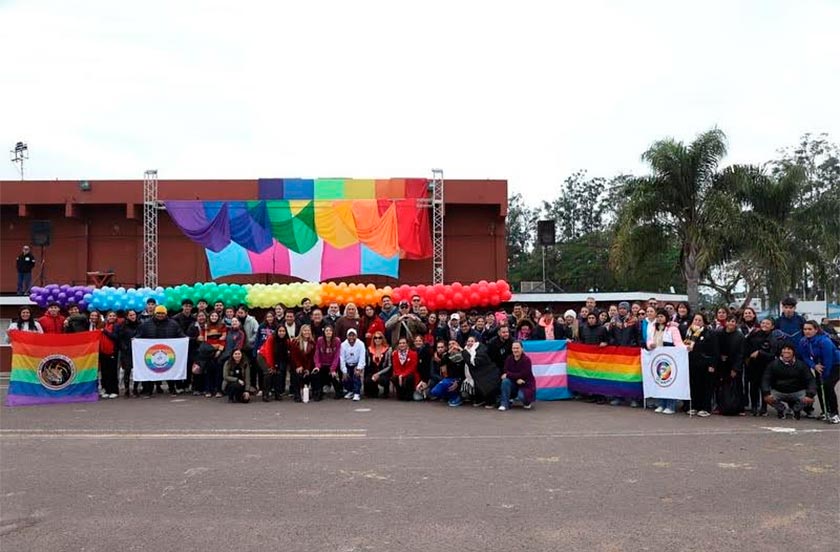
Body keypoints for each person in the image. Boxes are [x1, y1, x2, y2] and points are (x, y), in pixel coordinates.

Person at [135, 305, 186, 397]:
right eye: (158, 313)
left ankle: (172, 389)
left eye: (162, 313)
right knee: (149, 371)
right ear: (155, 313)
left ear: (166, 314)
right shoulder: (146, 324)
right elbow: (140, 335)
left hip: (168, 351)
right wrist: (135, 340)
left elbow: (180, 334)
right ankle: (148, 390)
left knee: (170, 369)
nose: (160, 315)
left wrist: (186, 339)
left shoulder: (173, 324)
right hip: (151, 352)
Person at [797, 321, 840, 423]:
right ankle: (825, 411)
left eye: (810, 329)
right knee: (819, 388)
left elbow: (828, 359)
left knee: (827, 386)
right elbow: (805, 356)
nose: (807, 331)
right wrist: (814, 365)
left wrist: (825, 375)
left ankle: (835, 413)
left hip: (835, 364)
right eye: (805, 329)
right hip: (819, 365)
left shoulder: (824, 341)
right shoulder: (803, 341)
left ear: (816, 330)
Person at [762, 343, 816, 419]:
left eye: (789, 351)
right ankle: (781, 409)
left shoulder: (801, 365)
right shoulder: (773, 365)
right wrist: (766, 392)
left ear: (793, 352)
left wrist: (810, 394)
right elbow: (766, 379)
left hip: (797, 391)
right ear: (781, 352)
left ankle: (796, 409)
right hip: (779, 391)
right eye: (784, 351)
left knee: (810, 399)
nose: (786, 353)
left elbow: (810, 380)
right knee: (767, 398)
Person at [647, 309, 685, 414]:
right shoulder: (653, 328)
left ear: (666, 317)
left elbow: (678, 343)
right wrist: (650, 345)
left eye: (662, 316)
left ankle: (670, 405)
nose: (659, 318)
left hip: (669, 359)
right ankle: (661, 403)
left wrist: (684, 349)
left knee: (669, 382)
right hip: (657, 359)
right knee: (659, 382)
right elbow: (649, 340)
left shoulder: (672, 329)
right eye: (658, 316)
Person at [743, 318, 780, 416]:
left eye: (768, 324)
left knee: (764, 387)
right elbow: (746, 345)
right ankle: (754, 407)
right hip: (753, 366)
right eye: (763, 323)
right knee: (753, 387)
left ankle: (764, 408)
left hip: (766, 367)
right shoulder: (754, 334)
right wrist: (747, 357)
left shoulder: (773, 338)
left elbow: (772, 355)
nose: (765, 325)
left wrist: (760, 353)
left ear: (772, 326)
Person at [684, 313, 718, 417]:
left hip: (705, 364)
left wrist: (713, 364)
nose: (697, 322)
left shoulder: (709, 333)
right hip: (692, 364)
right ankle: (695, 406)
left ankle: (705, 407)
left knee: (706, 387)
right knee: (694, 386)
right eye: (695, 320)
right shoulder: (688, 333)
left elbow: (715, 350)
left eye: (699, 320)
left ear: (703, 322)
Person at [715, 315, 746, 415]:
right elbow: (716, 348)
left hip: (734, 365)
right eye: (729, 321)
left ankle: (739, 408)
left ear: (736, 323)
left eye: (733, 321)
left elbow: (741, 354)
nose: (731, 323)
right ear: (726, 322)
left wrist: (735, 368)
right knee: (720, 386)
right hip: (722, 365)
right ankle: (720, 406)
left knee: (737, 386)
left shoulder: (739, 336)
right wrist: (720, 356)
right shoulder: (719, 333)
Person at [463, 335, 501, 407]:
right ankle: (480, 399)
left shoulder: (481, 348)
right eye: (468, 341)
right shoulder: (466, 350)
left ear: (476, 342)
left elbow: (474, 362)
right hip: (476, 375)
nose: (470, 343)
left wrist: (464, 352)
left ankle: (492, 402)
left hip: (488, 372)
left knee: (486, 386)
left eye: (472, 341)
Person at [499, 341, 536, 411]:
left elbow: (524, 374)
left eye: (517, 348)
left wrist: (509, 375)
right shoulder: (509, 359)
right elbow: (505, 370)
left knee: (522, 396)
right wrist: (516, 378)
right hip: (514, 382)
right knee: (505, 381)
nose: (515, 350)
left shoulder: (527, 360)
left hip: (525, 384)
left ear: (522, 349)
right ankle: (504, 404)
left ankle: (527, 402)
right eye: (513, 348)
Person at [429, 340, 467, 407]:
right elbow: (442, 362)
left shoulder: (463, 355)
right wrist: (449, 352)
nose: (452, 345)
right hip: (450, 378)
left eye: (453, 344)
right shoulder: (447, 356)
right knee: (434, 391)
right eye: (450, 344)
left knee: (453, 385)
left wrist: (458, 382)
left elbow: (465, 370)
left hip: (461, 379)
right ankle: (451, 396)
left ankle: (458, 397)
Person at [258, 326, 291, 402]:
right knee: (268, 373)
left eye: (283, 331)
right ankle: (265, 394)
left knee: (278, 373)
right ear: (277, 331)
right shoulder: (271, 338)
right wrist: (272, 366)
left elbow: (283, 355)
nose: (282, 333)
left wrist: (276, 367)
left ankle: (277, 393)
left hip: (276, 359)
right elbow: (269, 353)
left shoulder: (286, 341)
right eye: (280, 331)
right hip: (263, 356)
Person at [201, 311, 227, 398]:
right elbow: (202, 339)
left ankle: (218, 390)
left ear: (218, 317)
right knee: (208, 371)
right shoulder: (205, 326)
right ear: (209, 317)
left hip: (218, 352)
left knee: (218, 372)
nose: (214, 317)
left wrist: (219, 350)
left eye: (215, 316)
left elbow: (223, 339)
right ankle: (208, 390)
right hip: (208, 352)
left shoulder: (222, 326)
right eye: (212, 316)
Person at [289, 325, 316, 403]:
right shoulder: (295, 342)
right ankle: (297, 394)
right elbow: (294, 356)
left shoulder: (313, 343)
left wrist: (307, 368)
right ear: (301, 332)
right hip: (297, 365)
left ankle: (311, 393)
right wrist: (299, 366)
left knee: (312, 374)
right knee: (297, 375)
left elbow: (311, 358)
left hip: (308, 365)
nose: (306, 332)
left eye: (308, 331)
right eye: (305, 330)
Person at [314, 325, 340, 400]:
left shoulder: (337, 341)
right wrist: (317, 366)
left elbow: (337, 356)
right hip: (322, 364)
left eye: (330, 330)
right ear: (324, 332)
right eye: (327, 331)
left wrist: (332, 369)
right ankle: (319, 392)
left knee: (334, 375)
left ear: (333, 332)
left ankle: (338, 391)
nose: (328, 332)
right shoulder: (320, 340)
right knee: (317, 374)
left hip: (332, 364)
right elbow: (317, 354)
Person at [118, 309, 140, 398]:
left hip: (137, 351)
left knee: (137, 371)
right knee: (127, 371)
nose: (132, 316)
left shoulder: (140, 325)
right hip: (127, 352)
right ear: (127, 316)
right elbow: (120, 338)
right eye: (130, 315)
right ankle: (127, 389)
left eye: (134, 314)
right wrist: (124, 347)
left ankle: (135, 388)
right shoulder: (123, 326)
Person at [339, 328, 366, 401]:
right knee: (346, 377)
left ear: (356, 336)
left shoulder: (361, 344)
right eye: (349, 336)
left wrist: (359, 368)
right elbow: (342, 359)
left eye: (353, 336)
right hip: (347, 364)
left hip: (357, 364)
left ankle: (357, 393)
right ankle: (350, 391)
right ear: (347, 336)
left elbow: (362, 357)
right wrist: (344, 371)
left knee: (356, 376)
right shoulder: (343, 345)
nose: (351, 338)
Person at [390, 337, 419, 401]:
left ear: (407, 344)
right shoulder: (395, 354)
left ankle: (409, 394)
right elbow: (395, 367)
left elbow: (412, 367)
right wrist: (400, 375)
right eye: (400, 343)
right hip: (399, 374)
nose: (402, 345)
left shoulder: (413, 354)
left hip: (409, 374)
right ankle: (400, 393)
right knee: (394, 377)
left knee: (410, 377)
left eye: (403, 343)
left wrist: (403, 375)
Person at [365, 331, 392, 398]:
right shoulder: (369, 349)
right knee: (368, 380)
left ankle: (386, 392)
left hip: (383, 372)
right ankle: (374, 390)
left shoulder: (388, 350)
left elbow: (389, 365)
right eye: (375, 338)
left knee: (383, 380)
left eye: (380, 338)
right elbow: (367, 364)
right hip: (372, 371)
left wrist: (378, 374)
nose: (377, 339)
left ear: (382, 339)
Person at [413, 334, 432, 400]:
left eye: (420, 341)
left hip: (425, 378)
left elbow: (427, 368)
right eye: (416, 341)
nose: (418, 342)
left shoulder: (426, 352)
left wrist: (424, 381)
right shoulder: (412, 351)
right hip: (416, 377)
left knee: (418, 398)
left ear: (423, 342)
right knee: (416, 398)